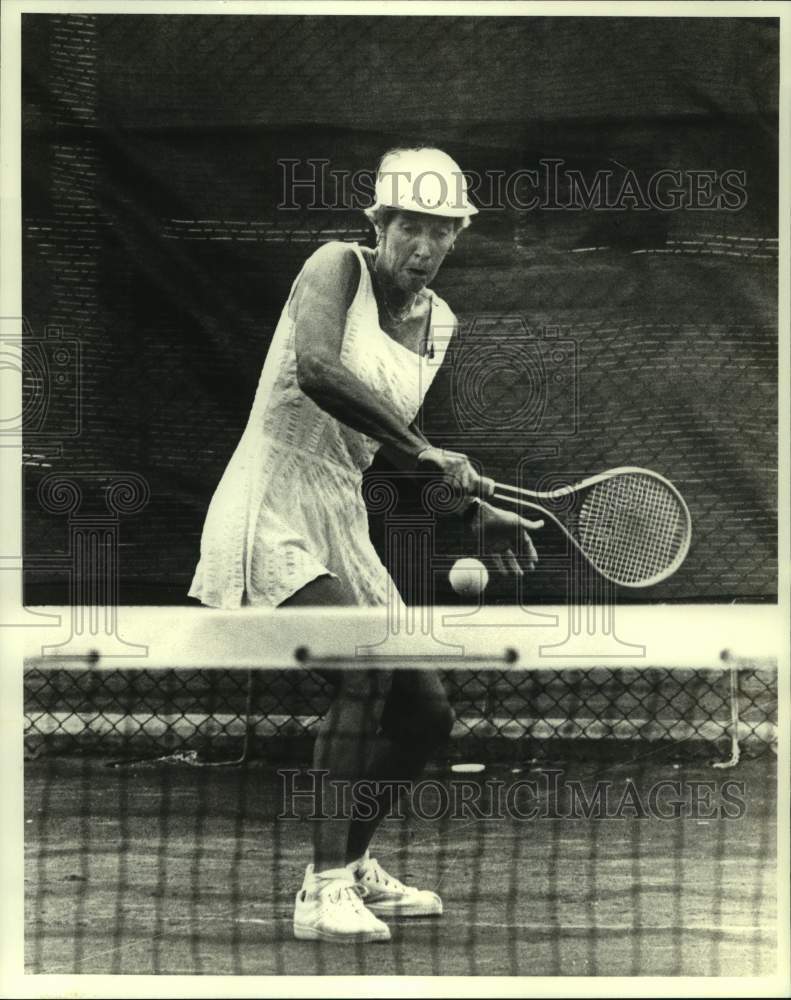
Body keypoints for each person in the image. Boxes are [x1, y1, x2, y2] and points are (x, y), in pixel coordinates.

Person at [189, 148, 543, 943]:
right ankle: (319, 890)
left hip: (341, 517)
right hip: (271, 500)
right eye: (406, 226)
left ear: (456, 237)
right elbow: (316, 369)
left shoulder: (438, 323)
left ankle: (352, 865)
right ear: (377, 224)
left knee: (424, 709)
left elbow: (383, 440)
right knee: (366, 671)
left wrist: (466, 512)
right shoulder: (334, 268)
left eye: (438, 231)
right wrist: (427, 454)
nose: (420, 245)